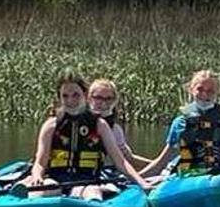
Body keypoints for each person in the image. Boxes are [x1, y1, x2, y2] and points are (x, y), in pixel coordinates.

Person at [23, 73, 157, 199]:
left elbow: (120, 162)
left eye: (76, 95)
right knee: (44, 189)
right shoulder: (51, 125)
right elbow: (40, 162)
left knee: (91, 192)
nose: (71, 100)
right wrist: (36, 176)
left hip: (86, 181)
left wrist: (142, 183)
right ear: (59, 98)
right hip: (56, 179)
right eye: (65, 96)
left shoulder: (100, 125)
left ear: (84, 95)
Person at [86, 77, 155, 175]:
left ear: (115, 101)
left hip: (107, 174)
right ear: (89, 98)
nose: (104, 102)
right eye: (98, 98)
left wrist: (163, 166)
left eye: (109, 98)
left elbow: (129, 159)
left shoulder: (115, 129)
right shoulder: (78, 124)